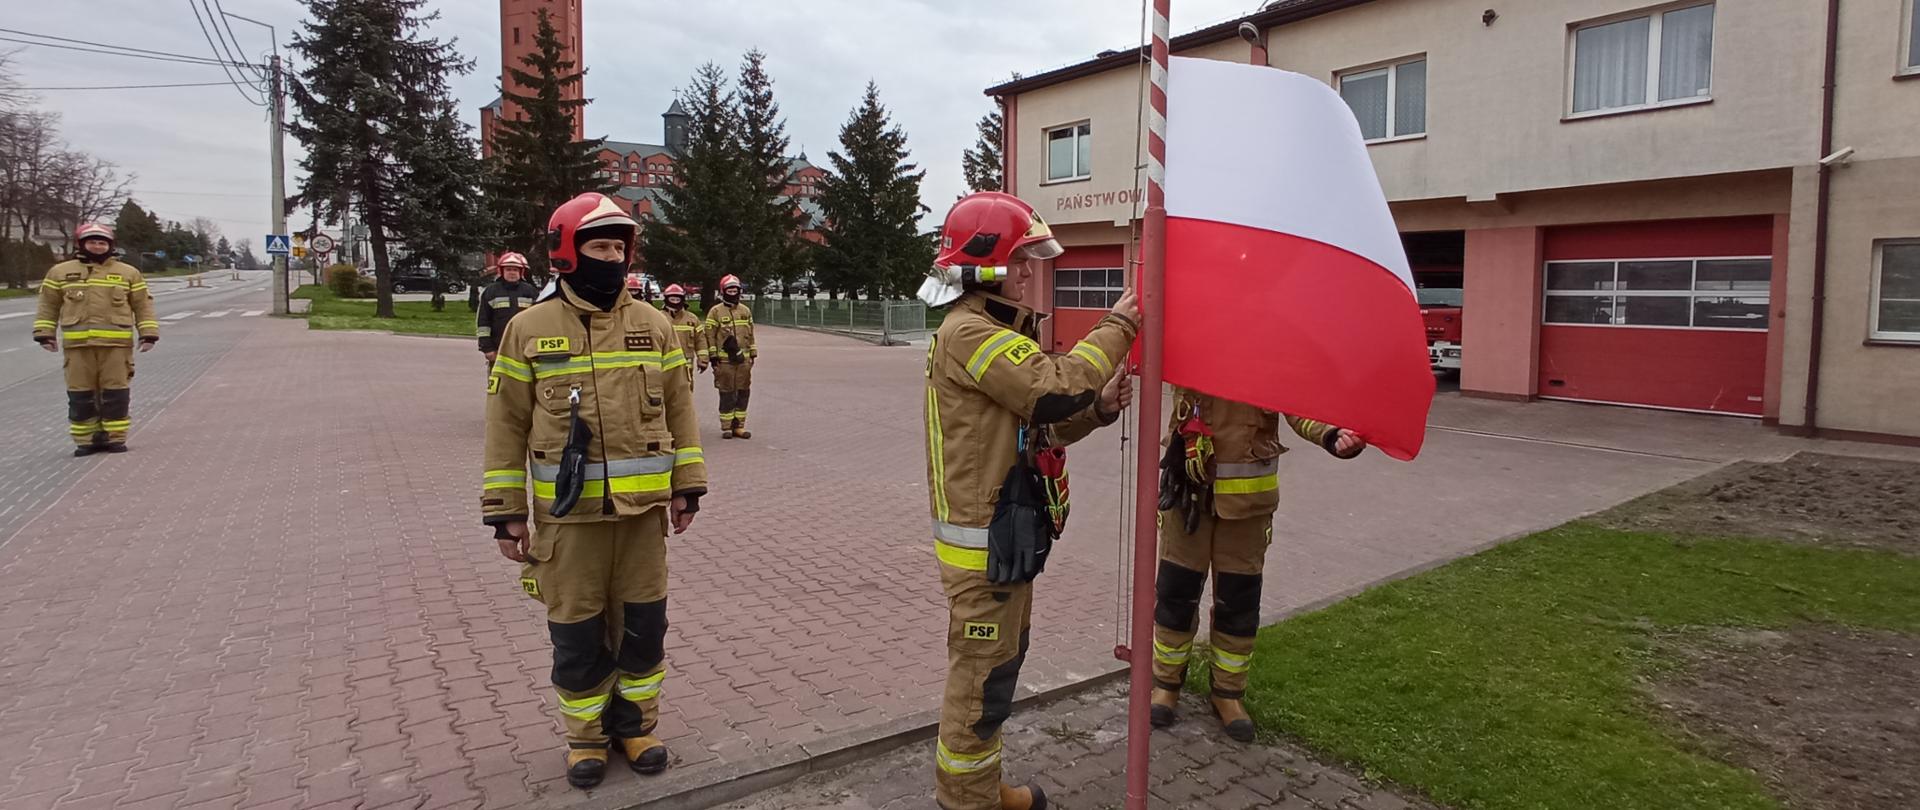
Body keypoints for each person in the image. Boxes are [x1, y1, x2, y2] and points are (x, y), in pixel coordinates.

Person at [921, 191, 1139, 810]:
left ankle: (978, 788)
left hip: (1004, 542)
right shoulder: (970, 332)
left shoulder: (990, 331)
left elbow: (1040, 425)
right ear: (984, 265)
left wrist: (1098, 409)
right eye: (1019, 260)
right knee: (981, 683)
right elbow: (1052, 389)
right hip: (984, 550)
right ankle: (966, 800)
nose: (1029, 272)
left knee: (997, 673)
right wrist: (1119, 325)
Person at [481, 192, 707, 790]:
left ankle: (637, 728)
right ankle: (585, 738)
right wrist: (505, 512)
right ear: (566, 252)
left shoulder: (655, 325)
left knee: (643, 628)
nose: (612, 257)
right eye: (599, 246)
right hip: (568, 522)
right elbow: (505, 425)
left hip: (642, 520)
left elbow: (681, 412)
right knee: (578, 634)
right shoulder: (528, 330)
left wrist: (687, 486)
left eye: (618, 247)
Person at [1149, 390, 1365, 741]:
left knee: (1238, 603)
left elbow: (1300, 403)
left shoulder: (1272, 360)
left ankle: (1228, 694)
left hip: (1247, 506)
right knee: (1176, 596)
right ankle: (1166, 685)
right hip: (1187, 495)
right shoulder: (1186, 353)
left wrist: (1331, 434)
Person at [33, 223, 158, 456]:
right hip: (77, 347)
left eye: (102, 242)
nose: (98, 246)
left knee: (116, 394)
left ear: (110, 246)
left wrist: (148, 333)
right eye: (92, 242)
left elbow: (143, 305)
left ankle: (115, 438)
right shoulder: (60, 272)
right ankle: (85, 441)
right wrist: (44, 333)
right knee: (81, 395)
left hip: (117, 347)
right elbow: (48, 305)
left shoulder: (128, 273)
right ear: (81, 244)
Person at [703, 274, 756, 439]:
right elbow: (709, 335)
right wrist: (713, 356)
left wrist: (753, 353)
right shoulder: (715, 311)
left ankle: (739, 426)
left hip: (743, 362)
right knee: (727, 393)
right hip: (724, 361)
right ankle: (726, 426)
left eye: (735, 290)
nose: (733, 293)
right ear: (723, 291)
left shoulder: (745, 311)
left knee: (743, 392)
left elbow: (751, 334)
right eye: (730, 290)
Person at [476, 252, 539, 363]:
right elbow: (483, 322)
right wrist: (487, 348)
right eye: (508, 269)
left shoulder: (530, 291)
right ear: (502, 271)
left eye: (515, 270)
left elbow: (538, 320)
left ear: (521, 272)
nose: (512, 273)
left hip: (526, 347)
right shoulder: (491, 291)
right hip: (499, 347)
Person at [661, 284, 707, 383]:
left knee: (686, 391)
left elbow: (701, 341)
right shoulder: (658, 317)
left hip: (686, 368)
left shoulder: (692, 319)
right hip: (664, 368)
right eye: (672, 299)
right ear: (666, 299)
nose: (675, 302)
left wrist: (703, 359)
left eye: (677, 299)